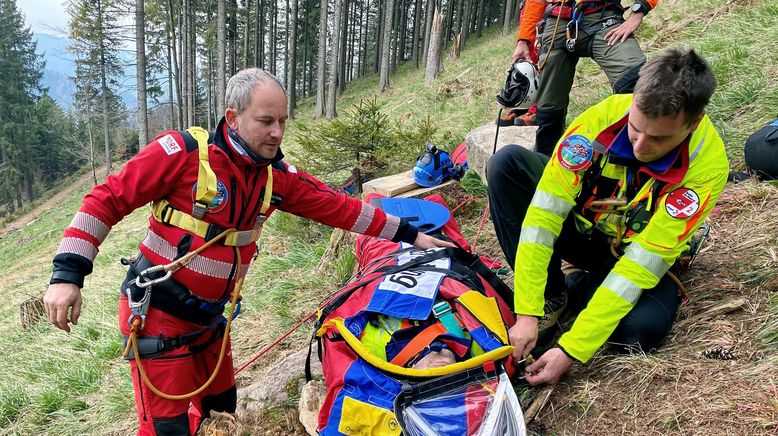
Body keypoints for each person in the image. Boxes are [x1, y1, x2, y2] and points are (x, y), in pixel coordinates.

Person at [43, 68, 453, 435]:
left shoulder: (275, 177)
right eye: (266, 121)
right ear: (233, 118)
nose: (277, 132)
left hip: (210, 322)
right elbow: (105, 200)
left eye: (282, 122)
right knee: (167, 428)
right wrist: (67, 275)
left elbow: (340, 208)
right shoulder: (182, 154)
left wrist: (409, 235)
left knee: (221, 413)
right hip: (158, 318)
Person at [487, 48, 728, 386]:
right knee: (506, 164)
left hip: (633, 251)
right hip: (582, 231)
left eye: (659, 138)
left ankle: (586, 288)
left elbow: (641, 264)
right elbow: (544, 219)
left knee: (639, 333)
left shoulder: (707, 167)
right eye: (635, 128)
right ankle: (554, 295)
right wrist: (528, 308)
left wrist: (572, 349)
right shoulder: (599, 121)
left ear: (695, 120)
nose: (641, 146)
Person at [512, 0, 658, 156]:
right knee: (548, 107)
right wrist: (524, 40)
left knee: (636, 81)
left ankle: (641, 151)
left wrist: (638, 11)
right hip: (558, 20)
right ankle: (544, 161)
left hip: (603, 16)